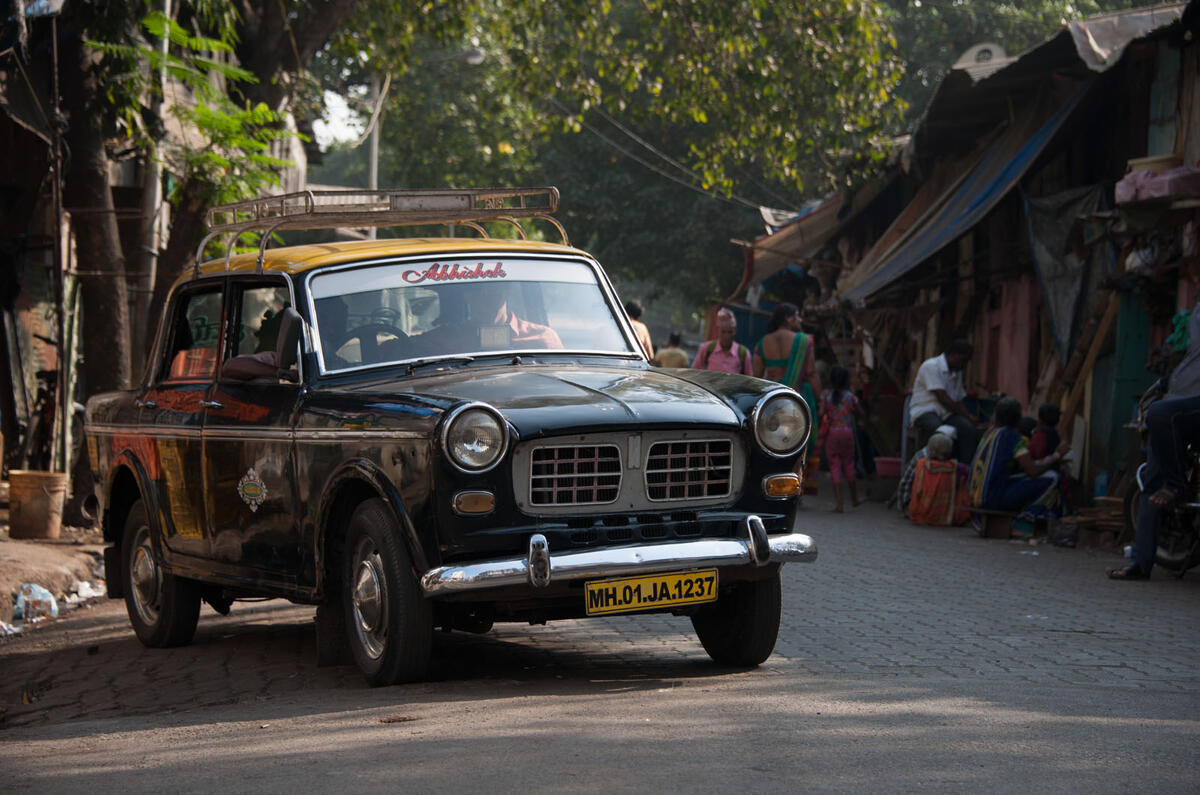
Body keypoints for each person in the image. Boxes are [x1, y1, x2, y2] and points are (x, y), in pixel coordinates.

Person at [1110, 299, 1200, 581]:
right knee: (1152, 481)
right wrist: (1167, 381)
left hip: (1182, 409)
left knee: (1160, 414)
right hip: (1181, 404)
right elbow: (1188, 356)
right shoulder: (1195, 313)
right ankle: (1140, 563)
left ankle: (1175, 482)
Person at [968, 396, 1070, 523]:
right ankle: (1026, 519)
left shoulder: (989, 433)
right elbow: (1032, 470)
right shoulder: (1012, 437)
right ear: (1017, 418)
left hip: (976, 497)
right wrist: (1056, 456)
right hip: (992, 499)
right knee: (1053, 478)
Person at [754, 302, 822, 493]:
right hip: (799, 397)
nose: (800, 321)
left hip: (773, 398)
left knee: (774, 444)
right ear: (788, 319)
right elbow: (811, 372)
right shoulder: (804, 340)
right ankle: (796, 486)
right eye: (797, 316)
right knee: (800, 444)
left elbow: (756, 378)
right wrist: (821, 398)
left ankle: (774, 485)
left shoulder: (762, 344)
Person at [909, 339, 979, 464]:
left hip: (946, 414)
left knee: (968, 429)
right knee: (937, 430)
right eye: (963, 360)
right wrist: (967, 415)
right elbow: (943, 398)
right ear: (954, 355)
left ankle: (963, 470)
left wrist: (969, 418)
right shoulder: (931, 366)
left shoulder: (957, 373)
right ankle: (925, 466)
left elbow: (959, 399)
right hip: (925, 411)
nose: (964, 365)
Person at [820, 364, 862, 512]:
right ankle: (855, 498)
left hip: (832, 433)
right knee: (849, 464)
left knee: (834, 466)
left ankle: (839, 503)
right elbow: (860, 412)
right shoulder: (851, 396)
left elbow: (820, 413)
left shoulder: (826, 395)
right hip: (847, 433)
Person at [908, 432, 971, 526]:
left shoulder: (922, 464)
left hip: (922, 514)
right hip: (948, 516)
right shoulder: (956, 467)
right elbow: (971, 472)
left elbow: (915, 489)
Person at [691, 308, 753, 375]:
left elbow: (749, 380)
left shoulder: (744, 353)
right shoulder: (706, 348)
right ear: (718, 331)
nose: (727, 336)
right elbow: (693, 373)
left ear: (735, 331)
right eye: (723, 332)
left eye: (730, 332)